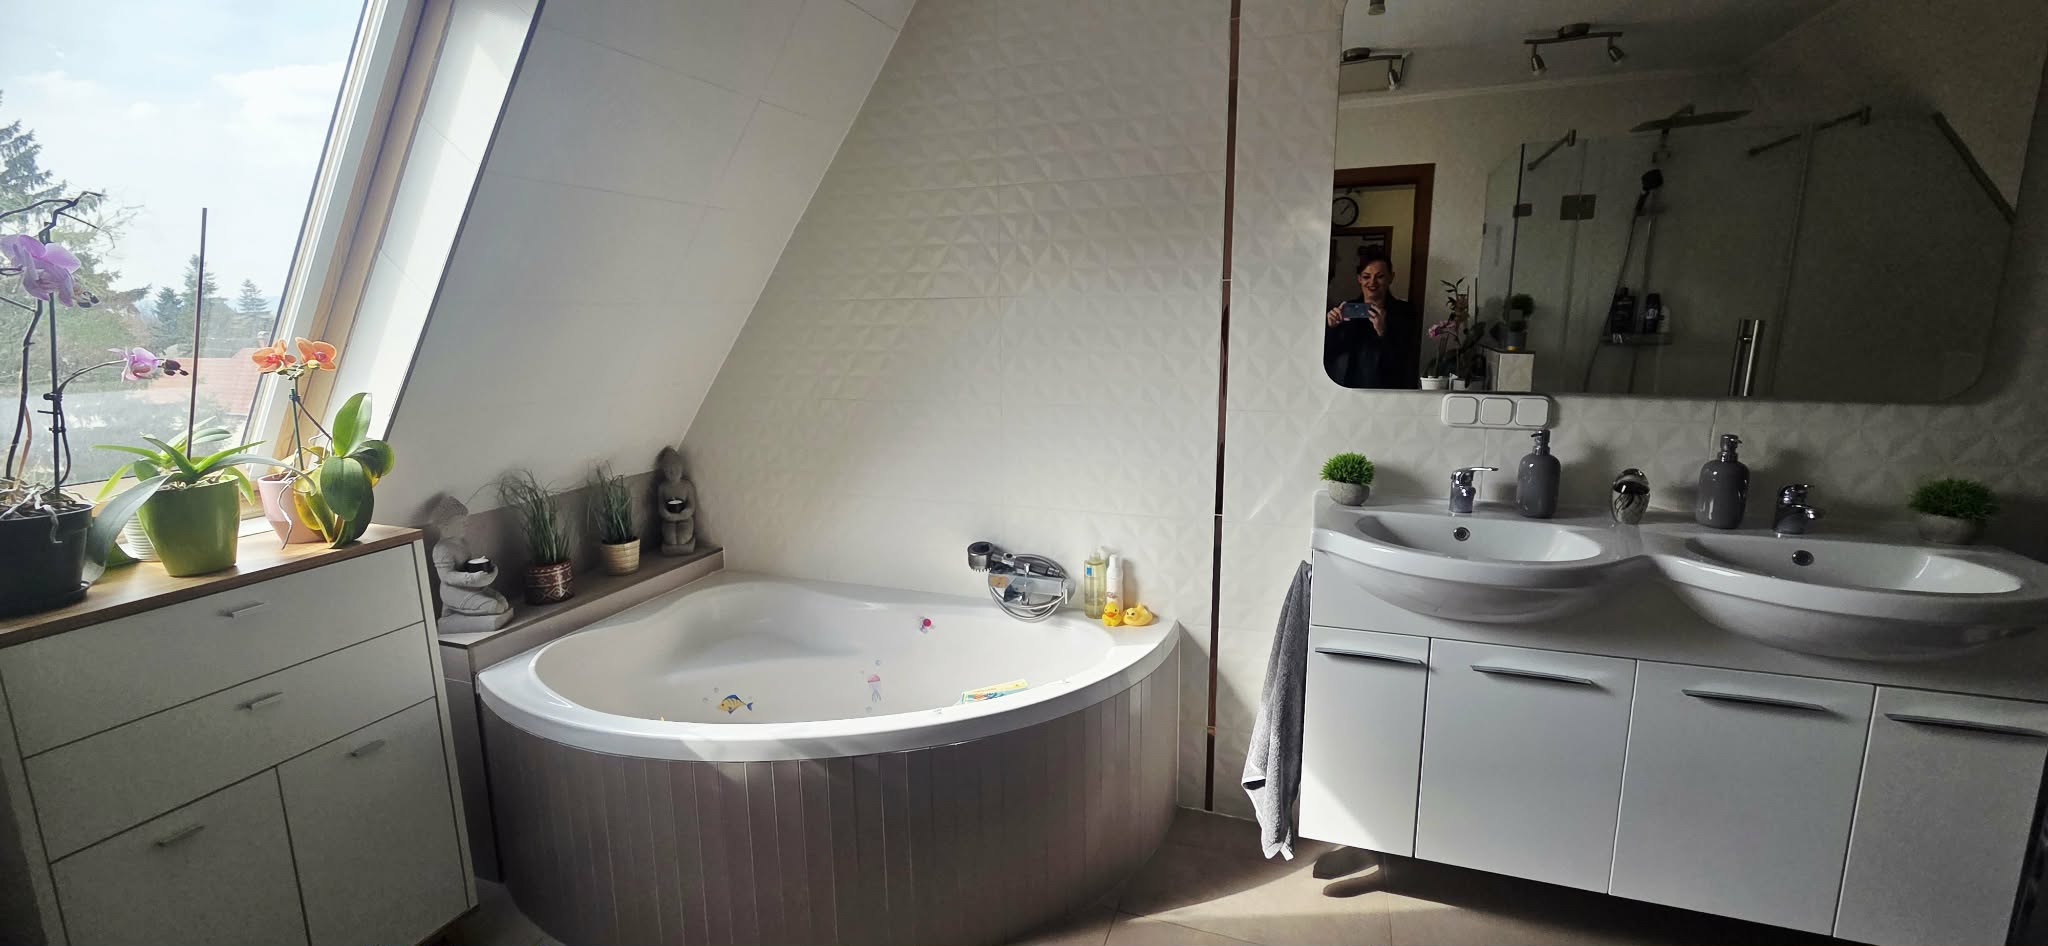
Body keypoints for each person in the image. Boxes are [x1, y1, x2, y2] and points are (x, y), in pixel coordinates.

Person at [1323, 249, 1420, 389]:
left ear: (1391, 277)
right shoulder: (1344, 310)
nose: (1372, 282)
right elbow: (1329, 354)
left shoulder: (1405, 312)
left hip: (1388, 390)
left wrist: (1383, 331)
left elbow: (1407, 358)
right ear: (1359, 279)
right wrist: (1331, 328)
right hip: (1347, 389)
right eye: (1366, 276)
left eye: (1380, 276)